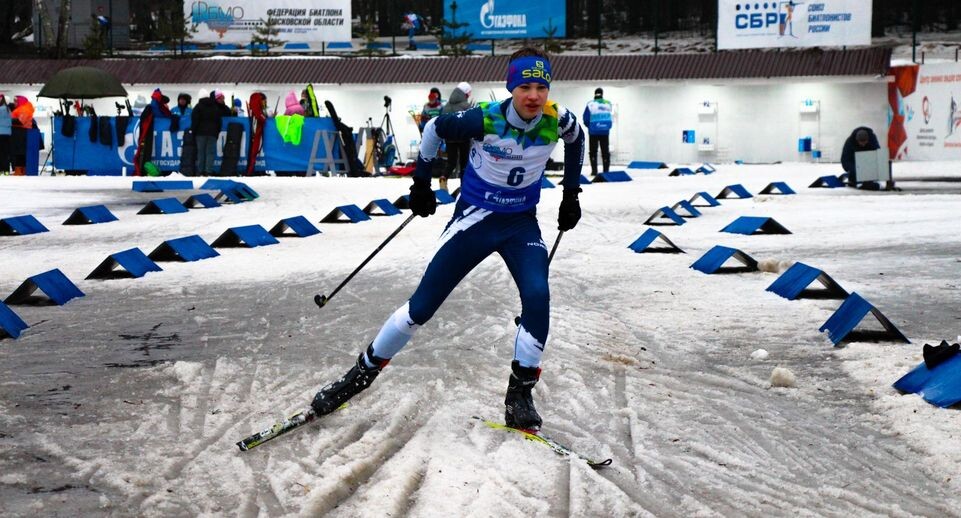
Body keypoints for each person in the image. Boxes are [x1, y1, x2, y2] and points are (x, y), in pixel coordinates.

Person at [310, 47, 585, 431]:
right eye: (525, 86)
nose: (534, 95)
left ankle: (520, 393)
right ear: (511, 86)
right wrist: (421, 183)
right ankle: (360, 374)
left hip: (520, 224)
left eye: (542, 86)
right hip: (475, 219)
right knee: (421, 307)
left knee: (538, 296)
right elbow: (434, 129)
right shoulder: (483, 118)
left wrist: (571, 194)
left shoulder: (557, 120)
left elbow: (579, 139)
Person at [191, 90, 231, 176]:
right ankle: (208, 171)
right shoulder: (214, 107)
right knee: (210, 152)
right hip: (212, 134)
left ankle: (200, 171)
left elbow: (195, 121)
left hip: (200, 134)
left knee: (201, 152)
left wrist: (193, 132)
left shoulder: (198, 107)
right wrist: (216, 132)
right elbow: (219, 121)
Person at [133, 89, 172, 176]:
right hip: (147, 133)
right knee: (145, 152)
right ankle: (144, 169)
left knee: (144, 152)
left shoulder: (152, 107)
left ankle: (143, 169)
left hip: (146, 133)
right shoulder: (156, 108)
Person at [440, 82, 473, 179]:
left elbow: (442, 120)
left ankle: (443, 177)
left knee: (451, 162)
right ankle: (464, 186)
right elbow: (471, 122)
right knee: (464, 163)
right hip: (464, 138)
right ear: (465, 94)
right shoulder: (466, 106)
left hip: (449, 138)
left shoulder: (446, 106)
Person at [583, 87, 613, 175]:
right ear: (602, 94)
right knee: (605, 152)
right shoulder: (608, 103)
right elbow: (610, 116)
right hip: (605, 131)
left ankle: (594, 171)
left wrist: (590, 126)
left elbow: (585, 118)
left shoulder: (590, 104)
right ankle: (606, 171)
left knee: (593, 151)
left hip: (593, 131)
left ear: (594, 94)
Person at [0, 94, 11, 174]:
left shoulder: (0, 109)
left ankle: (0, 170)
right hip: (8, 133)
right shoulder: (8, 109)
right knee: (6, 152)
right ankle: (6, 170)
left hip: (0, 133)